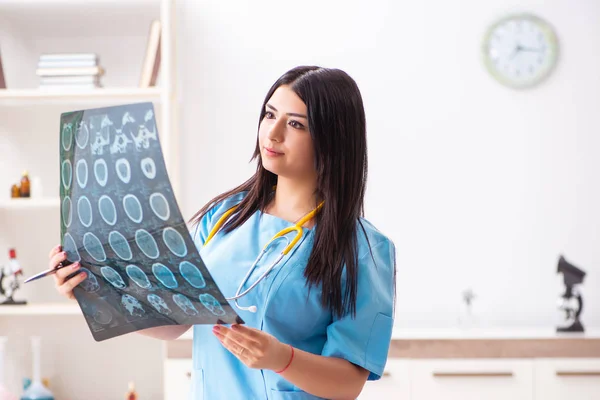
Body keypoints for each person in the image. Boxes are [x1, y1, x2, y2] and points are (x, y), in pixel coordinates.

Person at [49, 65, 396, 400]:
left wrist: (282, 359)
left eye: (295, 124)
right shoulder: (225, 217)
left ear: (333, 138)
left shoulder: (363, 250)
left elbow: (349, 381)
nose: (273, 134)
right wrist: (91, 291)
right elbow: (174, 323)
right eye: (270, 115)